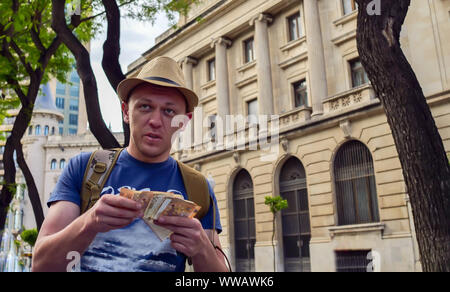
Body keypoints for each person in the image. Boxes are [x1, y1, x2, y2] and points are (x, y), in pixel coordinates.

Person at [32, 56, 228, 272]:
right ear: (126, 111)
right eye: (145, 107)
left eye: (169, 111)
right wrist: (89, 222)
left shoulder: (198, 187)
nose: (155, 120)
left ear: (183, 121)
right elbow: (40, 264)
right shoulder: (84, 168)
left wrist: (201, 247)